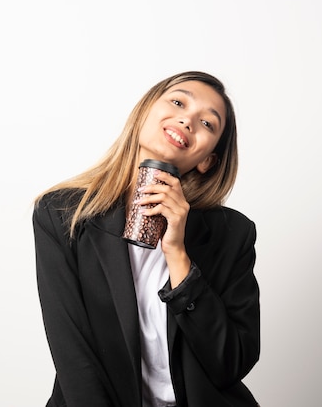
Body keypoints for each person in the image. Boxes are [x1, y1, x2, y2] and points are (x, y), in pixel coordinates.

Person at [33, 71, 260, 407]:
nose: (187, 120)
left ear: (207, 160)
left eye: (208, 124)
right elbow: (74, 355)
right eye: (178, 102)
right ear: (145, 112)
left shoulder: (232, 234)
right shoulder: (63, 214)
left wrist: (177, 252)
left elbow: (231, 363)